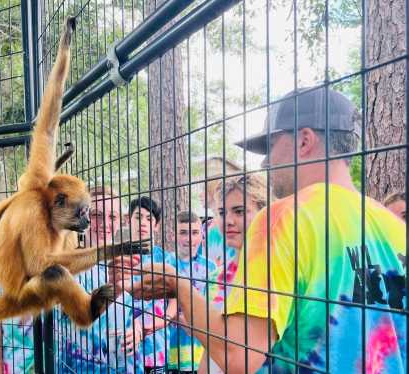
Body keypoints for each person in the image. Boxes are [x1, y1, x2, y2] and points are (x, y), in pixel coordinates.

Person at [112, 87, 407, 372]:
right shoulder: (394, 227)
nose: (265, 162)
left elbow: (236, 356)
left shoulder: (284, 219)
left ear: (304, 141)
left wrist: (179, 284)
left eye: (271, 146)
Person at [56, 186, 143, 374]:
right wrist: (113, 290)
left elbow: (135, 313)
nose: (106, 223)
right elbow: (69, 313)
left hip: (122, 364)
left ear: (121, 221)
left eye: (113, 216)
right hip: (80, 366)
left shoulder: (127, 262)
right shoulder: (68, 262)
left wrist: (137, 330)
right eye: (97, 215)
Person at [200, 174, 268, 374]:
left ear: (263, 213)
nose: (227, 221)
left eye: (239, 211)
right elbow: (209, 346)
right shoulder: (215, 277)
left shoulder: (274, 273)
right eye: (221, 212)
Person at [123, 196, 177, 374]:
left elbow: (174, 301)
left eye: (149, 218)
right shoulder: (118, 258)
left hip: (157, 347)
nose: (143, 223)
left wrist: (162, 321)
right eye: (138, 217)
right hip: (125, 345)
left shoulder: (167, 259)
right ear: (128, 220)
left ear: (156, 225)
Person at [167, 211, 218, 374]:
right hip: (168, 354)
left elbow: (213, 311)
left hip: (200, 357)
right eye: (183, 233)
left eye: (195, 233)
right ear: (173, 235)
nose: (190, 239)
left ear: (202, 235)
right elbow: (158, 308)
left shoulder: (211, 268)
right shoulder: (164, 264)